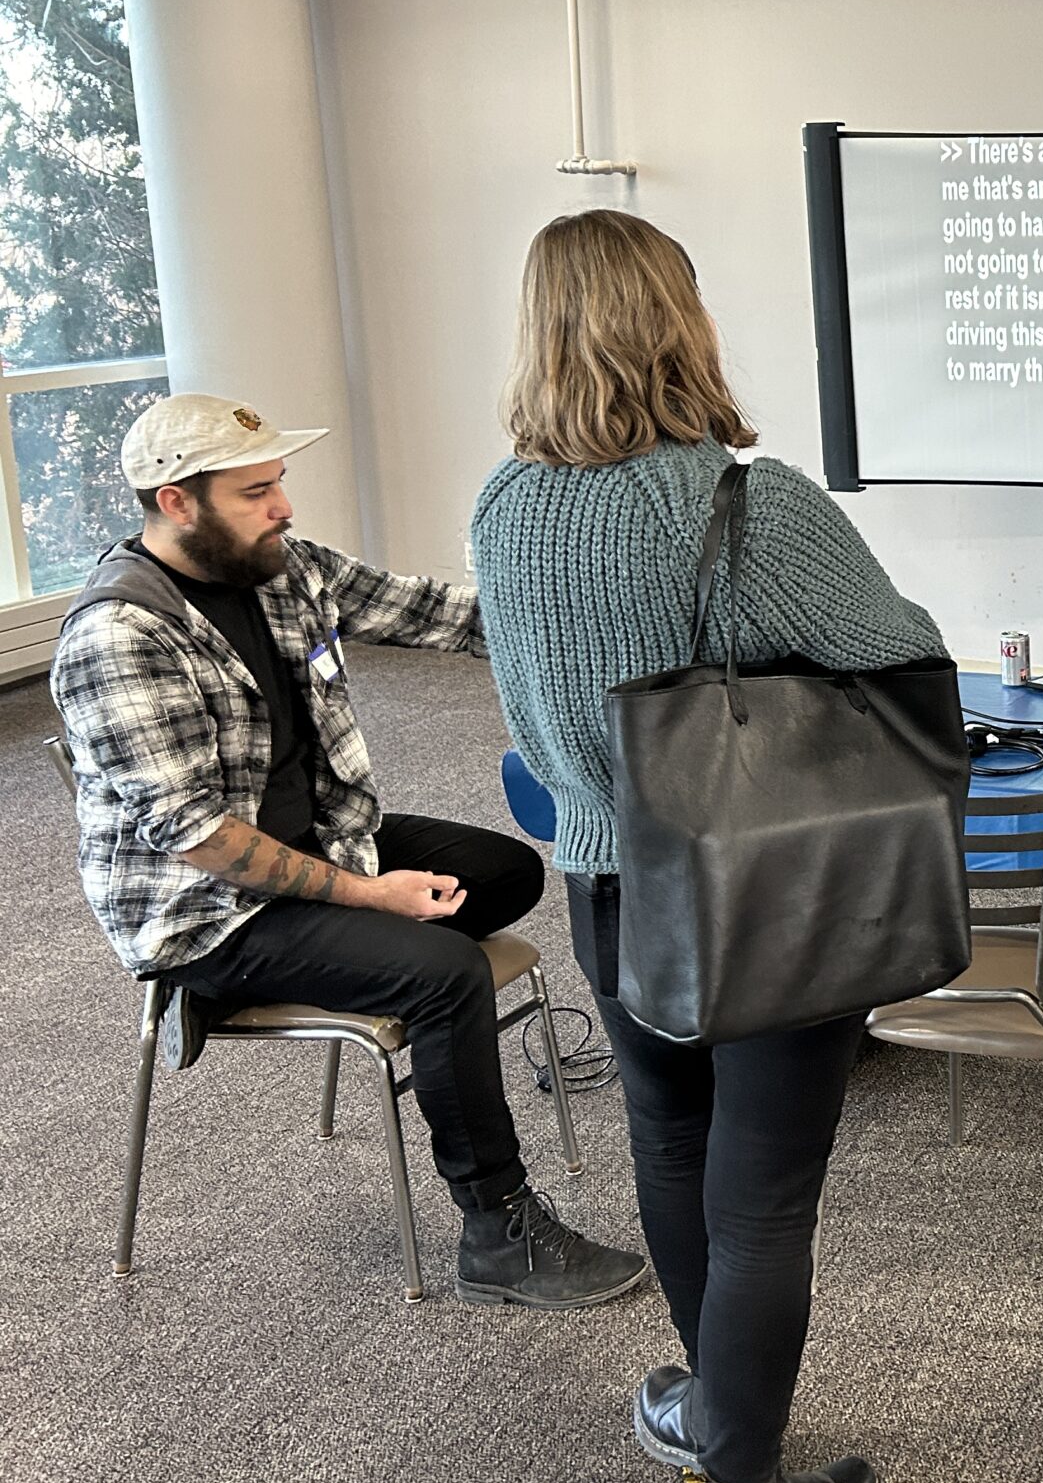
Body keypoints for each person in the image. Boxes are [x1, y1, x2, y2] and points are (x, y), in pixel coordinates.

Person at [470, 209, 948, 1483]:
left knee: (672, 1151)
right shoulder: (747, 502)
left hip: (610, 887)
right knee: (764, 1198)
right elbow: (900, 653)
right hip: (760, 894)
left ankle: (713, 1414)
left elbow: (537, 699)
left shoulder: (502, 503)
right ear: (680, 323)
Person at [50, 394, 646, 1309]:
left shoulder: (280, 569)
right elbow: (199, 837)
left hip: (314, 844)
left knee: (512, 869)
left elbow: (437, 614)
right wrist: (376, 899)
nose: (283, 506)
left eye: (278, 482)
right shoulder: (119, 636)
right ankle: (498, 1232)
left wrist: (602, 635)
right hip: (208, 916)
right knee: (444, 974)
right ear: (176, 502)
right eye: (256, 492)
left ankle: (392, 977)